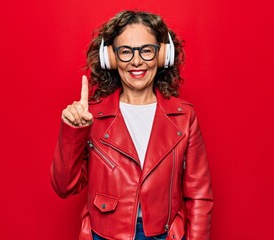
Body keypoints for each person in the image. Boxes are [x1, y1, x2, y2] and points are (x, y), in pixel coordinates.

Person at [51, 10, 213, 240]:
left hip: (165, 236)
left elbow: (199, 196)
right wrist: (73, 130)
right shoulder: (91, 116)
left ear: (162, 55)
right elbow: (64, 187)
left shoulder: (184, 116)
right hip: (103, 235)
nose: (136, 61)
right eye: (125, 52)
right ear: (111, 58)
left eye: (146, 51)